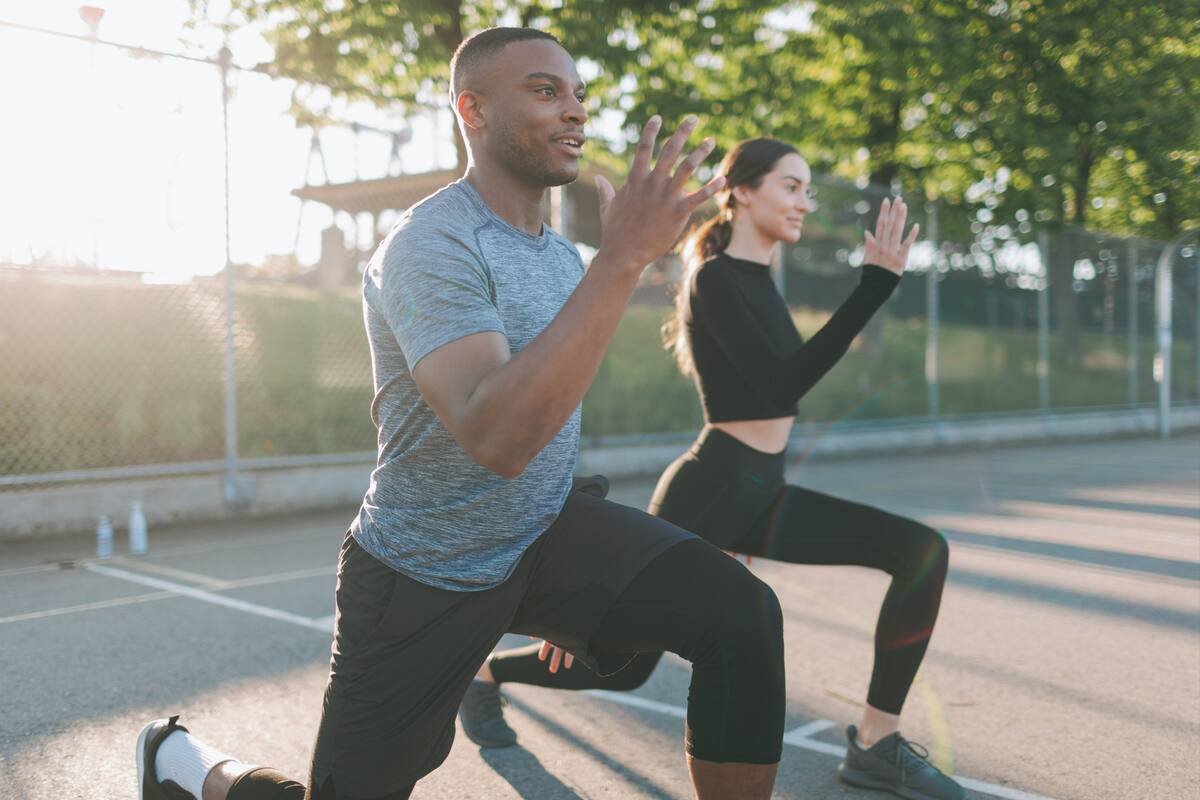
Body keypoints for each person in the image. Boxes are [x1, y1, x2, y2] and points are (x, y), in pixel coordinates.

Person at [137, 28, 790, 800]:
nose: (574, 111)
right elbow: (497, 435)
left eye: (578, 94)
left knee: (742, 616)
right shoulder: (429, 244)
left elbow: (549, 414)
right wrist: (623, 260)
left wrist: (582, 590)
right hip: (424, 572)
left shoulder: (556, 257)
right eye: (546, 91)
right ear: (471, 108)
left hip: (543, 536)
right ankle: (187, 768)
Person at [463, 138, 965, 800]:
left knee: (920, 551)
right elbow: (780, 385)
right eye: (791, 186)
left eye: (807, 189)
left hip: (764, 491)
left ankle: (875, 742)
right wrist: (872, 287)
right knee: (618, 668)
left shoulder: (758, 281)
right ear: (743, 190)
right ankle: (484, 678)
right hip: (712, 490)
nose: (803, 203)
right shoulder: (716, 279)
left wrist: (873, 287)